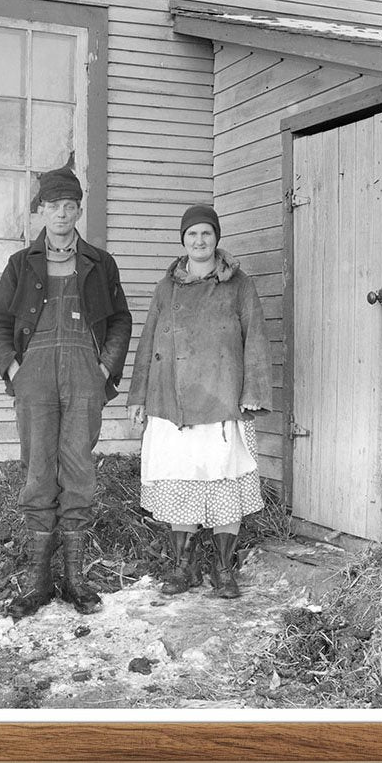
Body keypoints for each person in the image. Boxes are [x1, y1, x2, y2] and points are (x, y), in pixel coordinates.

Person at [0, 166, 132, 618]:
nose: (62, 214)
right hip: (34, 376)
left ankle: (73, 578)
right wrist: (13, 367)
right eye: (54, 206)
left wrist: (105, 366)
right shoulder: (20, 263)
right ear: (42, 210)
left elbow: (121, 319)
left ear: (78, 210)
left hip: (84, 375)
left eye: (70, 206)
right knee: (37, 471)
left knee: (79, 468)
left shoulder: (99, 262)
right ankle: (38, 582)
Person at [127, 204, 272, 599]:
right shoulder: (167, 286)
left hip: (222, 401)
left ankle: (224, 570)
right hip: (172, 403)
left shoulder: (239, 284)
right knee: (182, 482)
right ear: (183, 241)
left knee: (224, 483)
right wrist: (138, 395)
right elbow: (147, 342)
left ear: (216, 238)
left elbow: (256, 339)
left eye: (206, 233)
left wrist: (254, 392)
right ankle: (183, 567)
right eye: (192, 235)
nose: (199, 241)